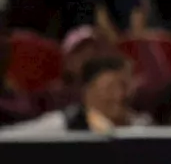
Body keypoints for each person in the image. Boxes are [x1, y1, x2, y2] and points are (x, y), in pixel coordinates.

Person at [0, 53, 147, 134]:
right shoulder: (60, 125)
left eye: (125, 87)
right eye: (110, 88)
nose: (120, 95)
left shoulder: (144, 126)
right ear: (87, 91)